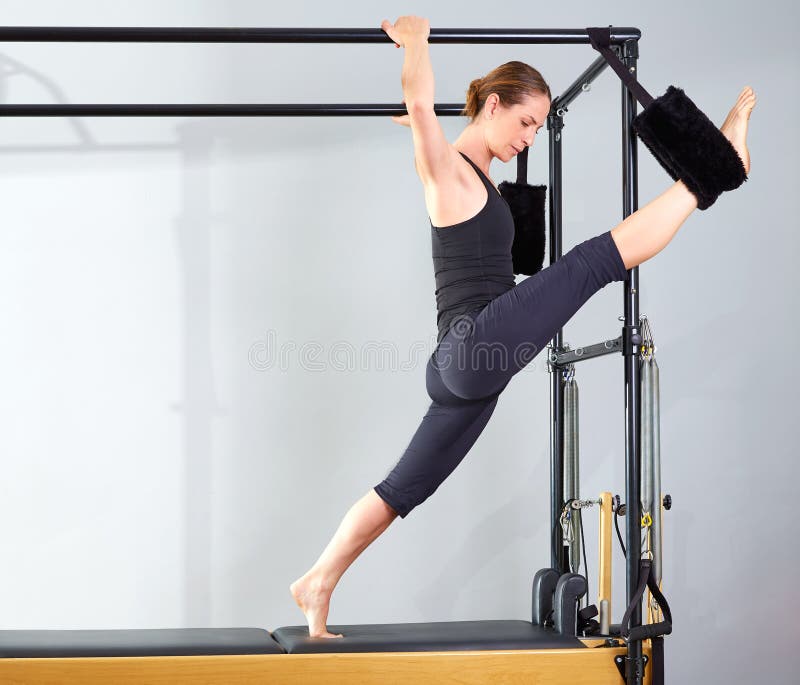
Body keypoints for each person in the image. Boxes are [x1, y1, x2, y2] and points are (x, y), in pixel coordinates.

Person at [290, 15, 756, 638]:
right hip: (471, 349)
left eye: (538, 125)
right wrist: (418, 41)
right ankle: (716, 170)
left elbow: (430, 123)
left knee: (403, 490)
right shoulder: (448, 172)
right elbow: (420, 103)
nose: (531, 136)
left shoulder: (471, 169)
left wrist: (426, 126)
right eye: (526, 121)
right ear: (490, 105)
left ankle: (316, 582)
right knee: (595, 260)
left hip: (466, 368)